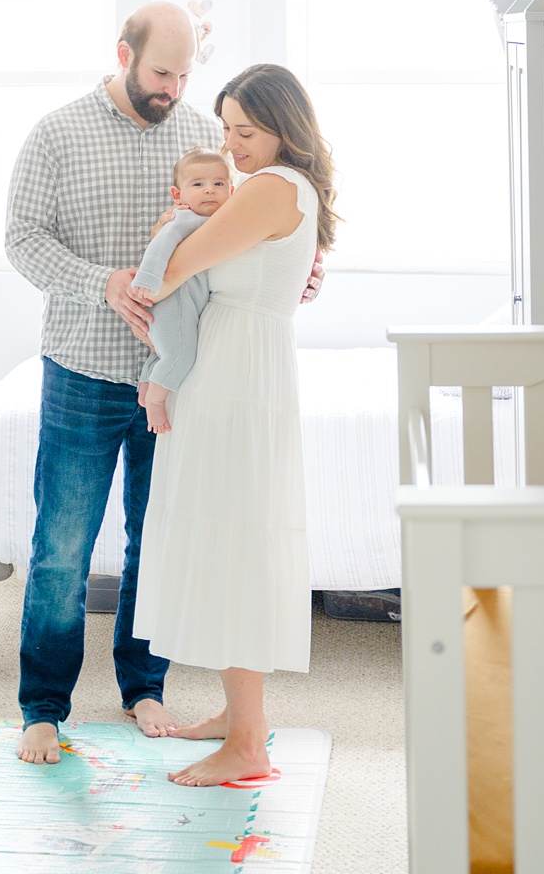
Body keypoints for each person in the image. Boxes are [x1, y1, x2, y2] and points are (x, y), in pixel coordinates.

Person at [4, 1, 217, 764]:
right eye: (162, 71)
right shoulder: (57, 133)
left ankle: (144, 685)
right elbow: (21, 239)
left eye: (186, 72)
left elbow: (241, 227)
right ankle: (43, 705)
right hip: (82, 369)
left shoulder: (203, 135)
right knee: (62, 546)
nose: (174, 87)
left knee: (155, 541)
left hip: (171, 377)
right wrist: (102, 282)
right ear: (122, 52)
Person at [132, 62, 336, 789]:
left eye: (245, 130)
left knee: (232, 545)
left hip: (236, 376)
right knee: (227, 537)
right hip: (237, 367)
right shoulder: (282, 190)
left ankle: (247, 743)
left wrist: (167, 237)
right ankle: (234, 717)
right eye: (225, 130)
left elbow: (178, 267)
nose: (232, 145)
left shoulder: (271, 189)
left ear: (285, 126)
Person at [133, 148, 236, 433]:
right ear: (177, 195)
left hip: (183, 304)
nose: (210, 191)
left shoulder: (217, 221)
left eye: (219, 184)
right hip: (172, 303)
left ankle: (145, 386)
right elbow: (160, 245)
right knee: (180, 356)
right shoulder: (186, 218)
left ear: (232, 190)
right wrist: (148, 279)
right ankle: (155, 404)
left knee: (163, 353)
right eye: (198, 184)